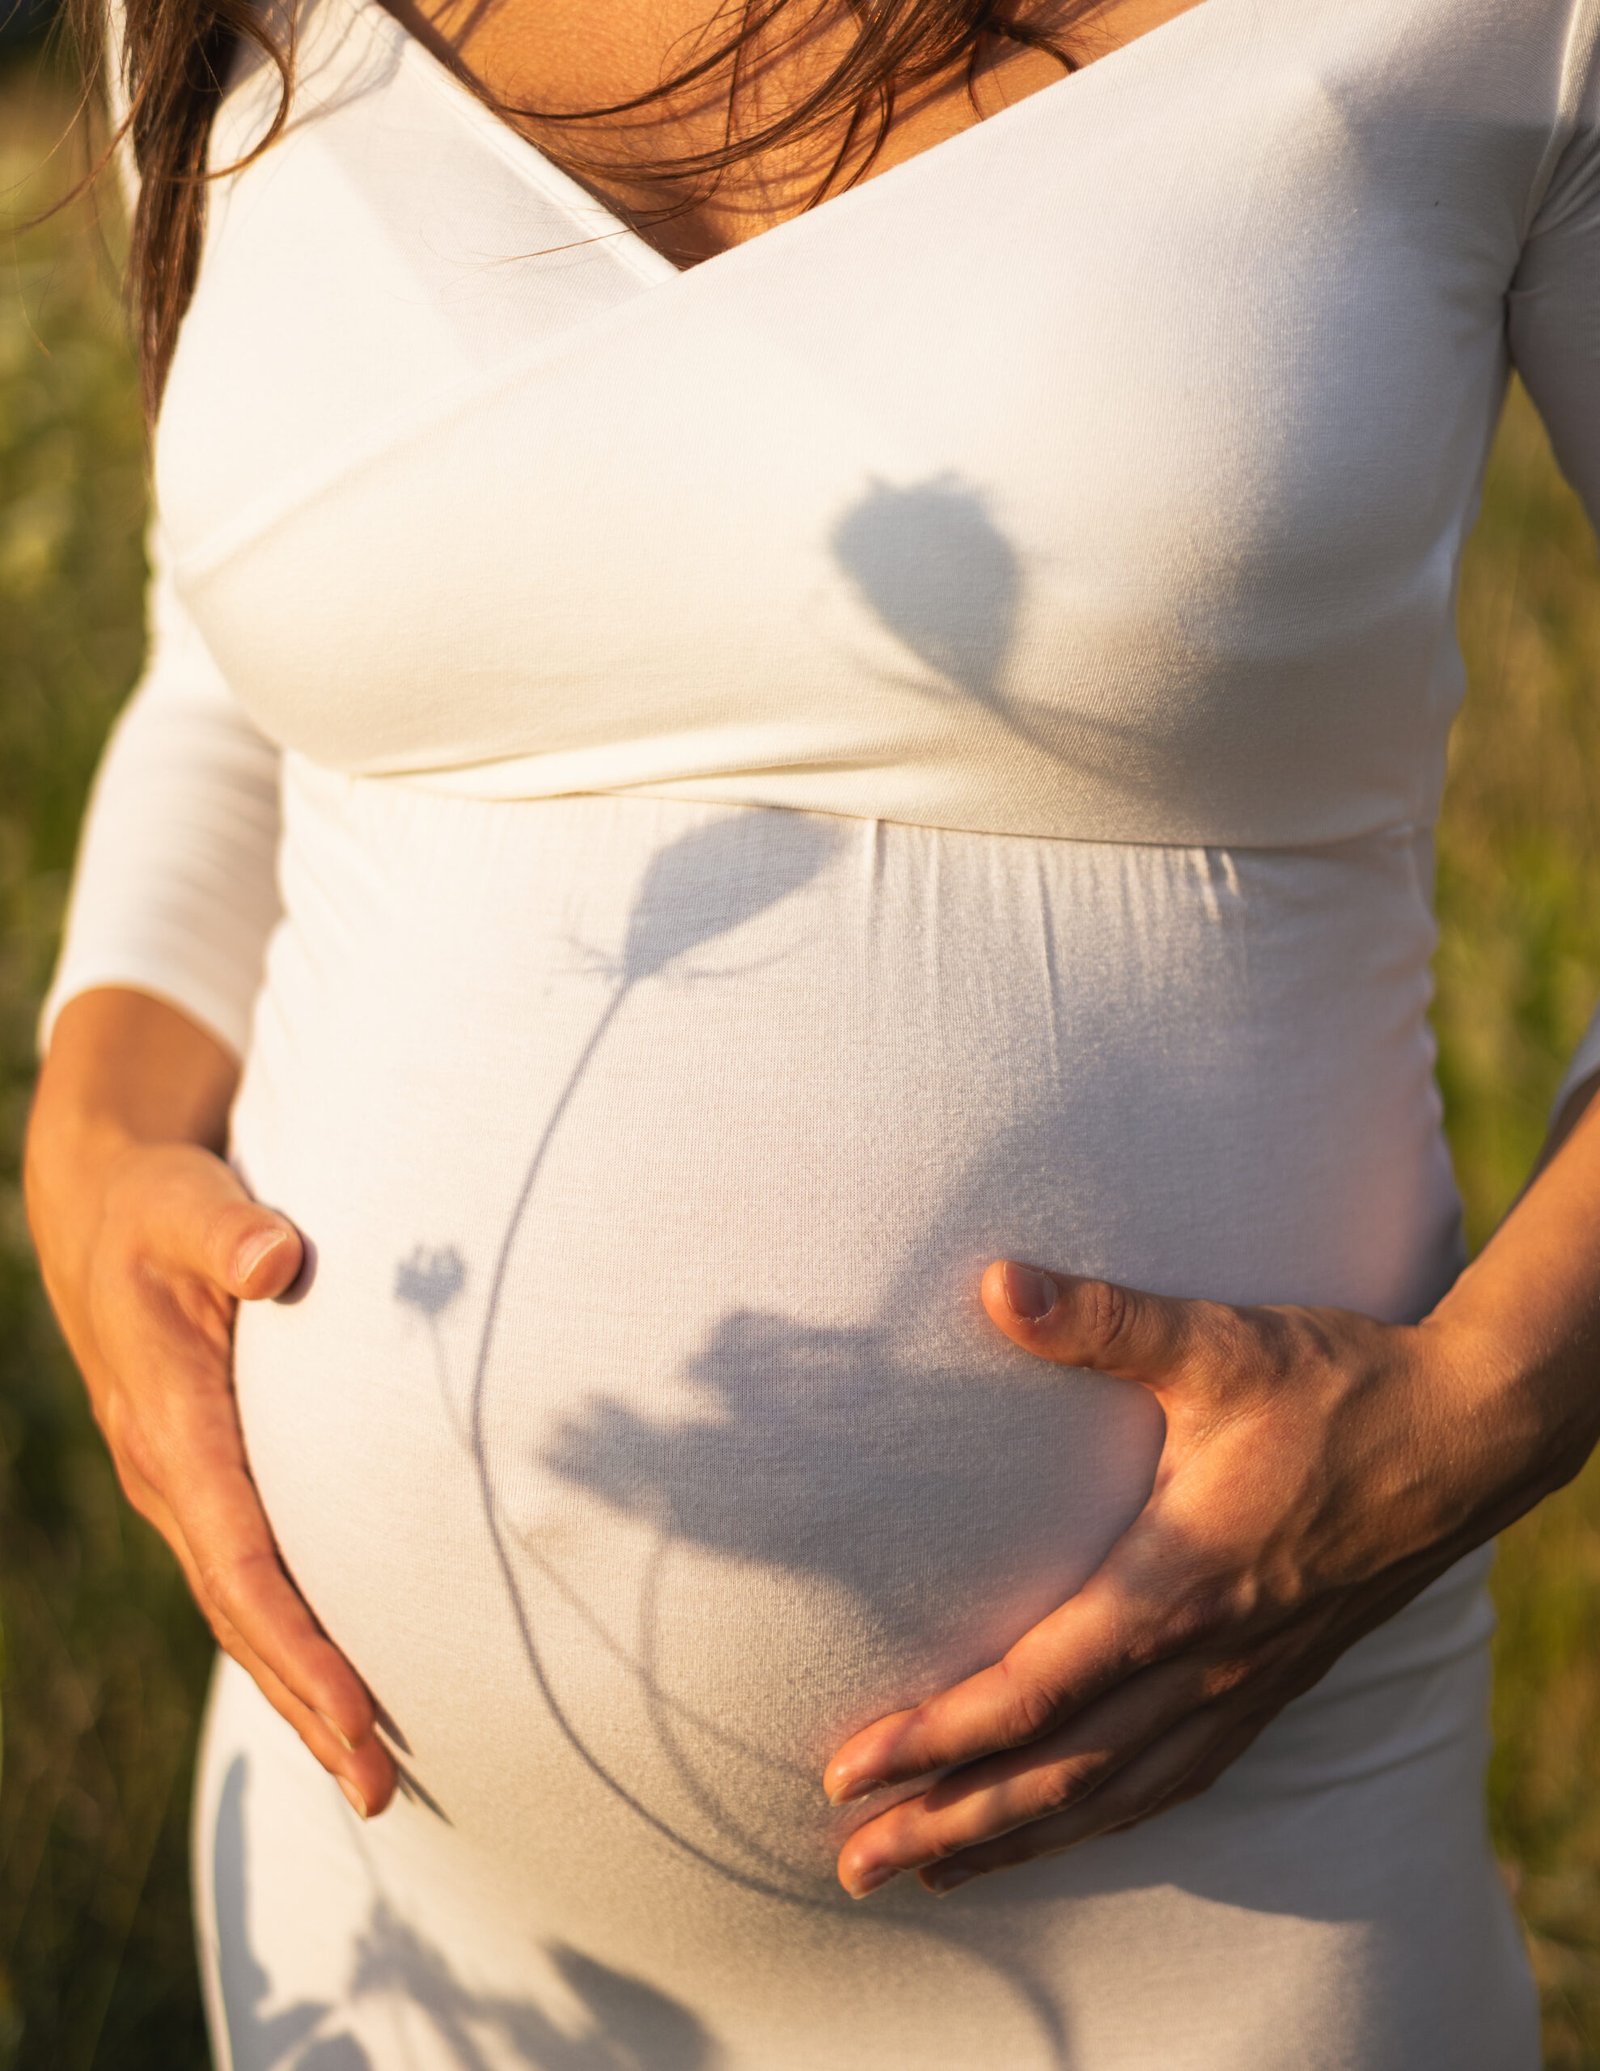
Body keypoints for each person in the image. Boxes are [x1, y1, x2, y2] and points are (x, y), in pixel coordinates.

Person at [21, 0, 1600, 2062]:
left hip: (1216, 1900)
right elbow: (238, 651)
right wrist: (90, 1126)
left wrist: (1488, 1399)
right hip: (383, 1907)